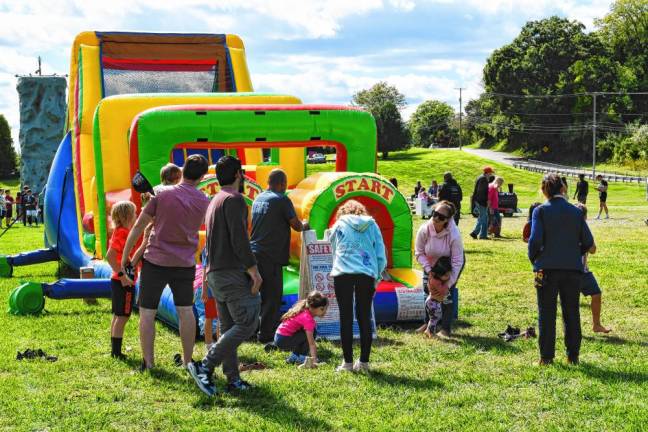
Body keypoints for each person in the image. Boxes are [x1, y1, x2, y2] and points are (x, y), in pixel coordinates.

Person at [121, 154, 210, 371]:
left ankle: (149, 363)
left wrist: (125, 258)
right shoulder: (204, 201)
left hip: (156, 262)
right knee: (186, 311)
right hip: (185, 263)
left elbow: (137, 228)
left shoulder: (160, 195)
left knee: (147, 312)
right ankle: (189, 361)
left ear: (183, 170)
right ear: (202, 176)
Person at [188, 156, 263, 396]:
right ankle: (205, 365)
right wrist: (253, 270)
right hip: (231, 272)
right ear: (238, 175)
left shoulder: (214, 201)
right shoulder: (235, 200)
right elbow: (239, 239)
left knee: (229, 326)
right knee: (248, 322)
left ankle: (233, 379)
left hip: (215, 273)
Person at [528, 174, 594, 365]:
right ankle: (573, 356)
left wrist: (535, 259)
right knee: (572, 312)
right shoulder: (576, 212)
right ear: (563, 189)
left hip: (545, 269)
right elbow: (588, 242)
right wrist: (574, 254)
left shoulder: (540, 211)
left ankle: (546, 357)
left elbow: (535, 240)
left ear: (544, 190)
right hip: (572, 269)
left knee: (546, 312)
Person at [250, 169, 309, 344]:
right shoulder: (282, 200)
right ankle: (266, 336)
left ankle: (253, 329)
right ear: (283, 184)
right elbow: (296, 225)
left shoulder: (259, 199)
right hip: (271, 255)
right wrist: (306, 224)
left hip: (254, 253)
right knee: (272, 297)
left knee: (258, 294)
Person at [328, 200, 387, 373]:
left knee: (345, 318)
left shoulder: (338, 224)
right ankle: (364, 363)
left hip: (342, 274)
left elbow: (334, 251)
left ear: (342, 212)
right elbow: (380, 254)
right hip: (366, 274)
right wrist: (376, 276)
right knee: (364, 317)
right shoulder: (372, 224)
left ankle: (347, 363)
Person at [105, 201, 148, 360]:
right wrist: (123, 276)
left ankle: (114, 350)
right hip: (122, 282)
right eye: (134, 214)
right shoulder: (122, 233)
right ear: (126, 216)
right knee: (123, 316)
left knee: (118, 315)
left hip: (118, 280)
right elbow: (110, 256)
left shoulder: (120, 231)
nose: (136, 216)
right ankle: (116, 352)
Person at [415, 201, 464, 338]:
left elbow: (457, 261)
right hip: (430, 264)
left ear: (447, 220)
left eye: (441, 217)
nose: (436, 219)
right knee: (427, 291)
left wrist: (447, 285)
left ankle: (445, 329)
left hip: (448, 265)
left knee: (446, 296)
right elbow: (419, 253)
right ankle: (428, 323)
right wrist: (429, 270)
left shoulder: (454, 235)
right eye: (435, 214)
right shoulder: (424, 229)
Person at [573, 203, 611, 334]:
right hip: (574, 272)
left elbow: (593, 249)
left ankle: (596, 325)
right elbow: (593, 249)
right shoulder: (574, 229)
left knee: (596, 293)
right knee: (571, 302)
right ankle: (576, 329)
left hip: (582, 272)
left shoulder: (583, 229)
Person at [272, 290, 328, 366]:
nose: (325, 312)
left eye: (325, 309)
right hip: (283, 340)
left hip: (279, 337)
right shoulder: (308, 319)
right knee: (311, 333)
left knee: (306, 332)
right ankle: (302, 358)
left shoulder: (304, 310)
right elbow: (311, 343)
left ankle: (294, 357)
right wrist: (314, 361)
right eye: (322, 309)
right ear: (313, 307)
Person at [423, 256, 452, 338]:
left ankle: (428, 330)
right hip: (433, 302)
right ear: (439, 274)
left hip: (432, 301)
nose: (448, 277)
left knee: (434, 318)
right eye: (446, 275)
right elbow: (443, 291)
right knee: (434, 318)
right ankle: (430, 332)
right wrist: (447, 283)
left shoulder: (433, 277)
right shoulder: (436, 282)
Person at [470, 166, 494, 240]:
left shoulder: (480, 177)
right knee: (484, 218)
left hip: (478, 200)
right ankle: (482, 235)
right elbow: (481, 192)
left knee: (482, 217)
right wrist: (485, 201)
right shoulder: (483, 179)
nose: (491, 174)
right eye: (490, 173)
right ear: (488, 172)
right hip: (481, 201)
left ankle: (475, 233)